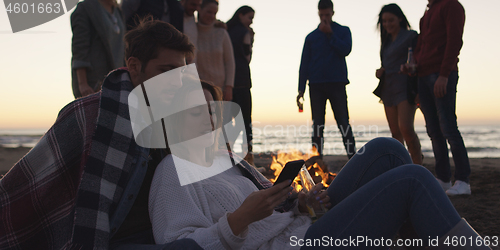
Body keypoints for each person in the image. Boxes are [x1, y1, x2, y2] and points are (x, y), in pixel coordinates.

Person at [148, 79, 491, 249]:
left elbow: (271, 204)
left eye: (212, 110)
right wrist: (239, 220)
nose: (210, 119)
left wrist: (297, 202)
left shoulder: (228, 161)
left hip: (301, 227)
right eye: (197, 111)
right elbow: (180, 244)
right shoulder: (172, 174)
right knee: (413, 179)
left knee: (385, 150)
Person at [0, 19, 202, 250]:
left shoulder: (171, 120)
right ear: (134, 66)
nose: (176, 83)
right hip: (110, 238)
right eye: (166, 71)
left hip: (162, 231)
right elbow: (26, 184)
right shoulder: (89, 115)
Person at [403, 0, 470, 195]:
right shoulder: (428, 13)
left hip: (441, 74)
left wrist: (444, 74)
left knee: (448, 127)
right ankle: (443, 178)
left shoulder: (452, 6)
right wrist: (413, 65)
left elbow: (454, 41)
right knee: (433, 129)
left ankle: (463, 180)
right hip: (423, 76)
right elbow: (422, 46)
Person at [297, 0, 355, 159]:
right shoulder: (311, 37)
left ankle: (353, 158)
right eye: (322, 15)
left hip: (337, 84)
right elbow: (304, 64)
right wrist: (300, 89)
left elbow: (346, 50)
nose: (324, 18)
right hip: (316, 86)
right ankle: (317, 161)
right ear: (318, 13)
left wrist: (330, 34)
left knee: (343, 122)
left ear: (332, 13)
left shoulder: (343, 31)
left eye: (327, 15)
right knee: (317, 126)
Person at [374, 4, 423, 165]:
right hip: (388, 89)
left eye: (391, 20)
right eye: (385, 21)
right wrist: (381, 71)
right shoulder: (386, 41)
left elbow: (417, 61)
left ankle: (417, 165)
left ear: (400, 18)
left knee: (406, 129)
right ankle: (401, 168)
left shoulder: (411, 36)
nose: (387, 24)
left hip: (405, 87)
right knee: (395, 133)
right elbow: (387, 64)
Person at [71, 0, 126, 98]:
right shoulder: (86, 8)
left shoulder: (117, 10)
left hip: (116, 82)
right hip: (94, 83)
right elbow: (79, 48)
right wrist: (82, 84)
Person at [227, 5, 255, 165]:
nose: (251, 22)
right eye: (250, 18)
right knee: (245, 120)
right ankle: (248, 155)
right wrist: (252, 40)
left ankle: (228, 153)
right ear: (241, 15)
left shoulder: (226, 30)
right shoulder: (245, 33)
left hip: (228, 81)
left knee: (228, 121)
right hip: (242, 79)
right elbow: (248, 58)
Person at [195, 0, 235, 102]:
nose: (212, 16)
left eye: (215, 13)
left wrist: (229, 86)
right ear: (199, 9)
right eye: (209, 12)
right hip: (199, 89)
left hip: (220, 89)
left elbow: (229, 61)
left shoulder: (221, 33)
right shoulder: (192, 31)